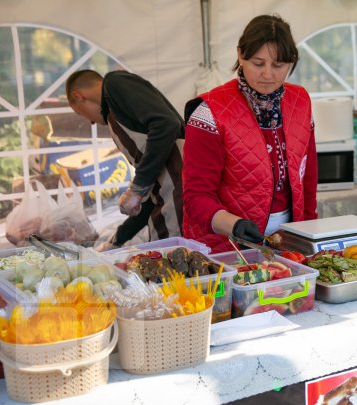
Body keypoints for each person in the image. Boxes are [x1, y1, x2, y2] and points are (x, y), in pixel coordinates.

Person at [182, 14, 318, 253]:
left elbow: (308, 179)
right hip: (225, 242)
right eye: (258, 63)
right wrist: (234, 225)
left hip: (290, 237)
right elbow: (196, 196)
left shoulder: (301, 101)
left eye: (278, 65)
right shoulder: (210, 112)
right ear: (240, 55)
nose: (268, 74)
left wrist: (310, 233)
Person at [65, 70, 184, 250]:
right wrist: (116, 241)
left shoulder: (114, 84)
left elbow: (166, 123)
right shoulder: (117, 115)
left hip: (181, 192)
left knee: (173, 262)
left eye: (81, 114)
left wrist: (137, 189)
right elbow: (151, 196)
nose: (91, 122)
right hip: (169, 198)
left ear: (79, 96)